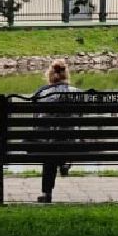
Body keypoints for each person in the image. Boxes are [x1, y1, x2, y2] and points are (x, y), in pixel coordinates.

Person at [32, 59, 77, 203]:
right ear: (66, 74)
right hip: (71, 144)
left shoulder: (42, 93)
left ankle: (47, 194)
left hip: (48, 143)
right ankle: (64, 161)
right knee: (60, 141)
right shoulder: (77, 93)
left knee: (49, 148)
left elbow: (36, 121)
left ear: (49, 74)